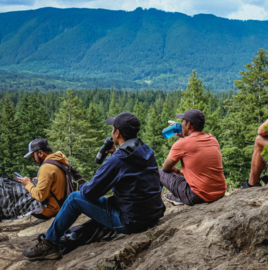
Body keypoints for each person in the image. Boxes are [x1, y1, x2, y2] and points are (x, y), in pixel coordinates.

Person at [22, 112, 165, 261]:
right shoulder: (146, 150)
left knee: (74, 199)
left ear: (117, 133)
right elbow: (132, 177)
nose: (111, 132)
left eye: (112, 129)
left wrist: (85, 185)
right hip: (153, 213)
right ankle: (68, 237)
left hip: (131, 222)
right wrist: (114, 156)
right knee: (101, 205)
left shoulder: (117, 160)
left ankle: (49, 245)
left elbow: (89, 193)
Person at [159, 109, 226, 206]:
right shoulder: (212, 138)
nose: (181, 124)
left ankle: (162, 205)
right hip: (219, 192)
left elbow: (166, 168)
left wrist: (178, 172)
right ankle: (179, 196)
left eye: (183, 122)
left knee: (159, 172)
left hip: (197, 196)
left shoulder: (181, 144)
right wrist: (182, 138)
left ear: (188, 125)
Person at [16, 138, 69, 222]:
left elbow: (39, 196)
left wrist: (28, 184)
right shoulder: (58, 160)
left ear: (40, 153)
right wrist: (41, 179)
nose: (33, 159)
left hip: (55, 209)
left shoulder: (46, 167)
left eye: (33, 156)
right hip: (66, 202)